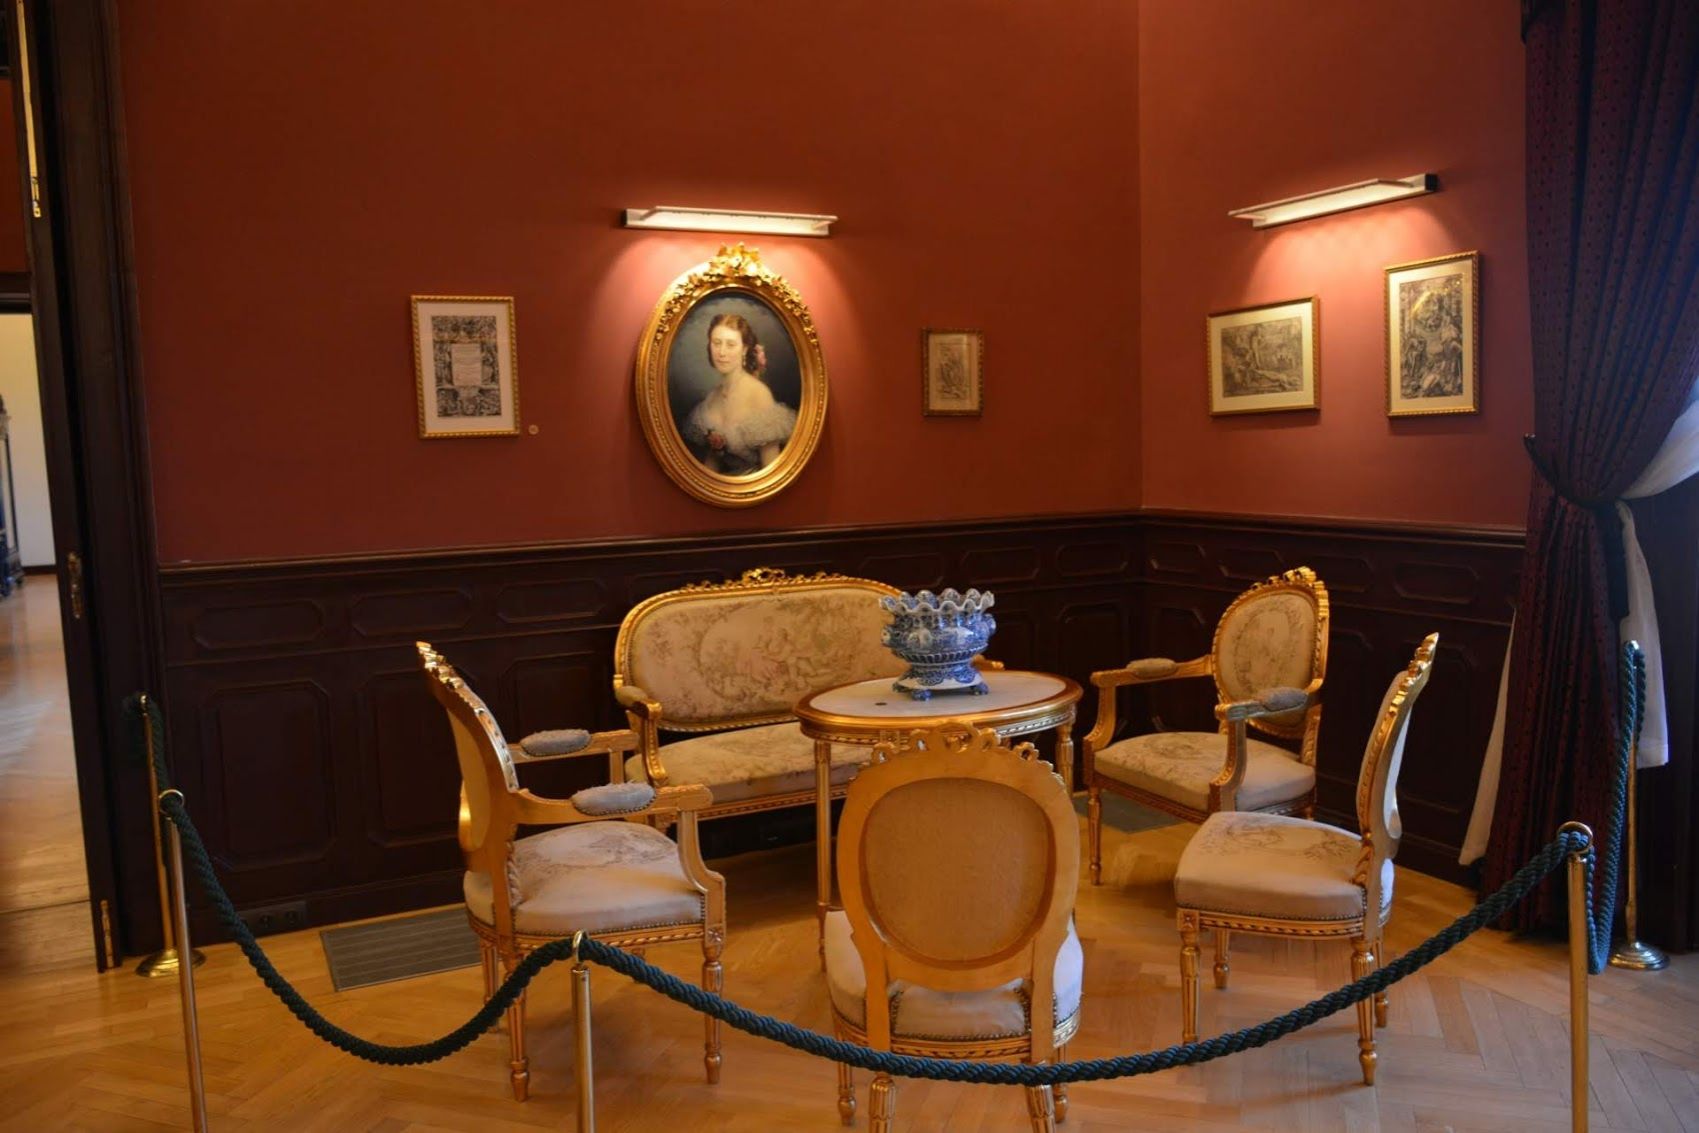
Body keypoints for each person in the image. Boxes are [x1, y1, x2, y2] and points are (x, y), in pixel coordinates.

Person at [681, 313, 798, 474]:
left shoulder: (758, 394)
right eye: (716, 343)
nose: (722, 352)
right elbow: (713, 463)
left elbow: (772, 469)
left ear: (744, 349)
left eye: (730, 345)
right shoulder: (712, 397)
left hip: (755, 485)